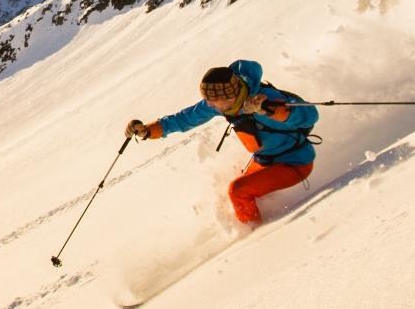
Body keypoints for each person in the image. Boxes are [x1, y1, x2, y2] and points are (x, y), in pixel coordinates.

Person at [126, 59, 319, 226]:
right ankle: (247, 224)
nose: (210, 106)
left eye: (213, 102)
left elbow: (310, 116)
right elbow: (183, 119)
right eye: (208, 101)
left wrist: (268, 110)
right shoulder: (222, 105)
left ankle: (255, 235)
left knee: (238, 191)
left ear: (229, 97)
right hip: (264, 161)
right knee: (227, 193)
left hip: (295, 162)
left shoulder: (264, 99)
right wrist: (147, 130)